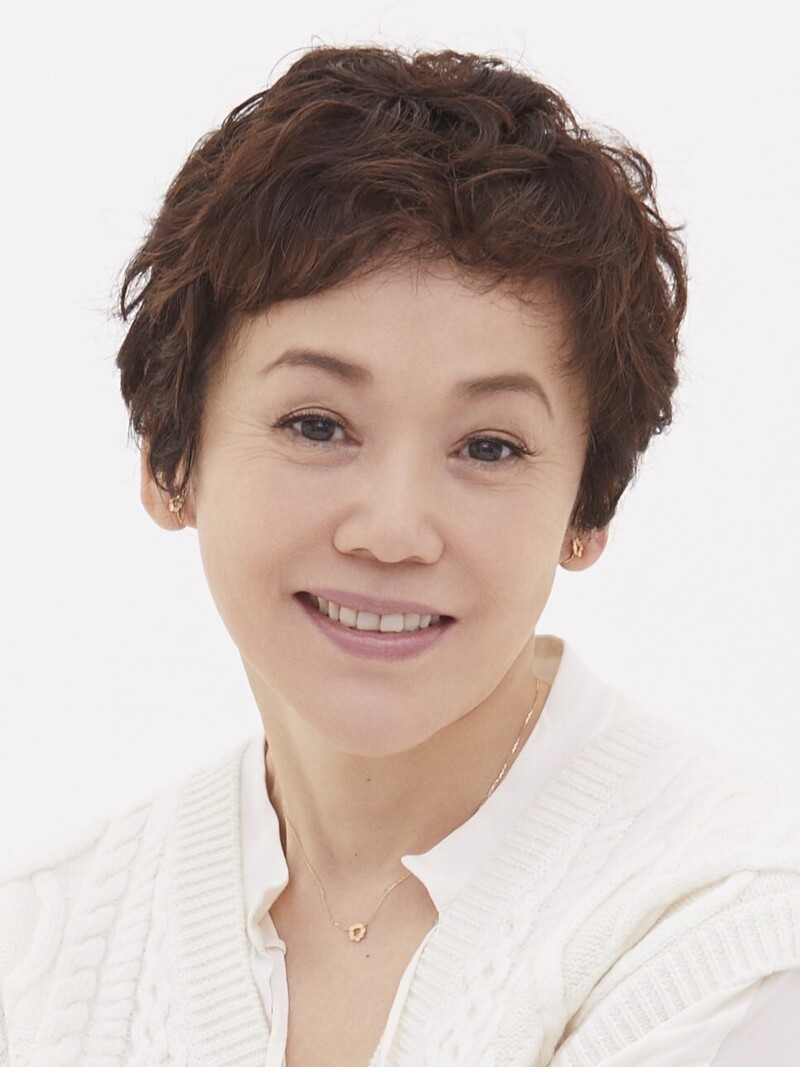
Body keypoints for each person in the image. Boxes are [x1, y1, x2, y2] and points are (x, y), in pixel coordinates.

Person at [2, 43, 799, 1067]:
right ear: (171, 459)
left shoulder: (724, 929)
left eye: (488, 447)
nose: (391, 530)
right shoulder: (42, 945)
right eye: (317, 425)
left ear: (587, 506)